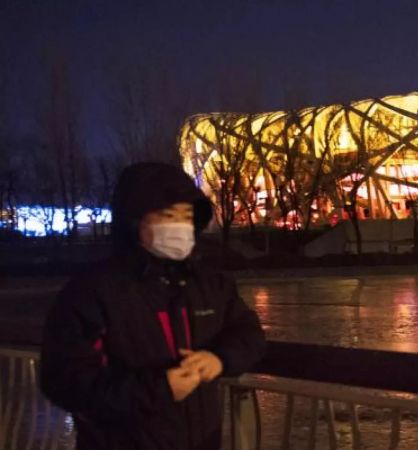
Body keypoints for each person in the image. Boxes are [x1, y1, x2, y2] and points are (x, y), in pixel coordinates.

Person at [40, 162, 266, 450]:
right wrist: (159, 390)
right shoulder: (92, 292)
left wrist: (219, 359)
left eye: (187, 216)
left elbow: (249, 334)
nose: (180, 225)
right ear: (134, 221)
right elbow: (65, 380)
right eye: (167, 215)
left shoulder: (210, 284)